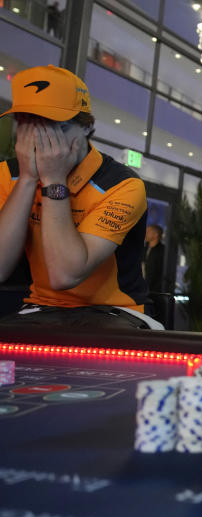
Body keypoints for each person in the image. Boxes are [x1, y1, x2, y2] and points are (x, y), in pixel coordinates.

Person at [0, 65, 160, 329]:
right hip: (41, 308)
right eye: (30, 126)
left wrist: (53, 180)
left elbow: (65, 274)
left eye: (56, 128)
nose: (43, 143)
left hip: (117, 311)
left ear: (86, 127)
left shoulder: (122, 184)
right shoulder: (9, 174)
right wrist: (28, 179)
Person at [142, 224, 166, 292]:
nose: (145, 233)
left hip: (156, 289)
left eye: (148, 231)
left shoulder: (163, 251)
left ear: (156, 234)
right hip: (141, 287)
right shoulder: (143, 249)